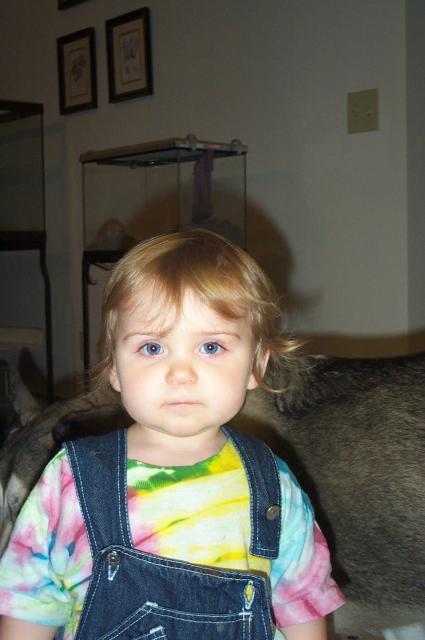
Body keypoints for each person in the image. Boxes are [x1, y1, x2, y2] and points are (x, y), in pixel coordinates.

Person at [0, 229, 344, 639]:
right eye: (152, 348)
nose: (180, 373)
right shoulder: (72, 480)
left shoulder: (272, 485)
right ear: (114, 369)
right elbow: (29, 604)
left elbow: (301, 601)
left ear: (256, 366)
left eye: (211, 347)